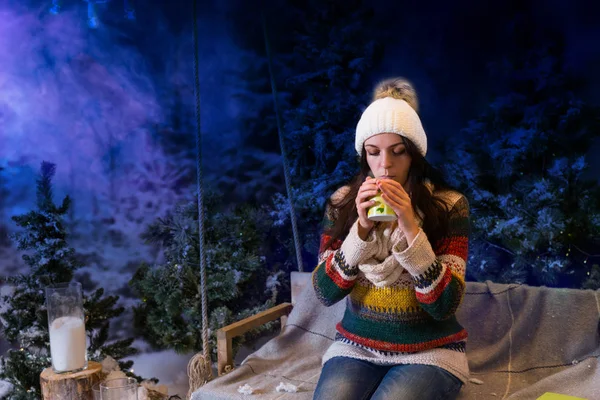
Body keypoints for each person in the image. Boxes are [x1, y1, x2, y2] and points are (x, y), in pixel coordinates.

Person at [312, 78, 470, 400]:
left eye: (398, 152)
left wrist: (411, 227)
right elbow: (324, 292)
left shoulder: (450, 204)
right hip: (357, 347)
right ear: (363, 156)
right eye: (374, 152)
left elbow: (445, 305)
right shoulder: (343, 203)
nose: (385, 166)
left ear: (415, 156)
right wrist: (360, 230)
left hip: (430, 349)